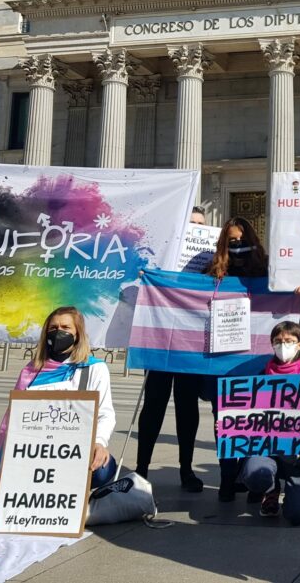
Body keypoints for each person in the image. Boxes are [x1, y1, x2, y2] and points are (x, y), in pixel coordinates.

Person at [0, 306, 117, 532]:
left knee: (104, 469)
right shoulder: (32, 371)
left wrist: (100, 443)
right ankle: (42, 505)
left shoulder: (94, 369)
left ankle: (62, 497)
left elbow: (105, 412)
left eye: (66, 327)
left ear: (78, 333)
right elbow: (13, 426)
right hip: (31, 461)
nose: (59, 332)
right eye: (53, 328)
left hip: (73, 457)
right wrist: (5, 472)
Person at [134, 206, 206, 493]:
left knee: (188, 406)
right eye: (191, 223)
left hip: (189, 338)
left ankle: (186, 469)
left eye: (200, 224)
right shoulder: (164, 253)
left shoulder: (209, 257)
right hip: (161, 333)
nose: (195, 228)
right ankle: (141, 467)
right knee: (154, 403)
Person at [236, 321, 300, 525]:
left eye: (289, 341)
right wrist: (231, 426)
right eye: (278, 341)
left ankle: (296, 493)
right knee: (254, 475)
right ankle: (271, 491)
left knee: (297, 515)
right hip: (267, 450)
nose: (282, 345)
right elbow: (246, 415)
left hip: (299, 457)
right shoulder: (261, 376)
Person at [205, 216, 269, 502]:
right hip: (223, 364)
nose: (238, 247)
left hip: (257, 363)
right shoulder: (212, 274)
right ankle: (228, 477)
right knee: (224, 423)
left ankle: (254, 476)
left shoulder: (268, 272)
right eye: (232, 242)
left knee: (256, 421)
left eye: (242, 241)